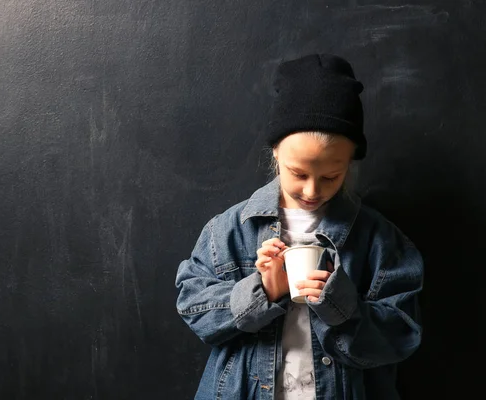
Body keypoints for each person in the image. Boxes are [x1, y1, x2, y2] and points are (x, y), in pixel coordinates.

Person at [175, 54, 423, 400]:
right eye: (298, 173)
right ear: (275, 152)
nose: (311, 190)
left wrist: (341, 306)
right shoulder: (229, 230)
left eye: (330, 176)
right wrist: (261, 290)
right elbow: (193, 308)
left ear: (349, 163)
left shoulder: (379, 239)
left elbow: (402, 336)